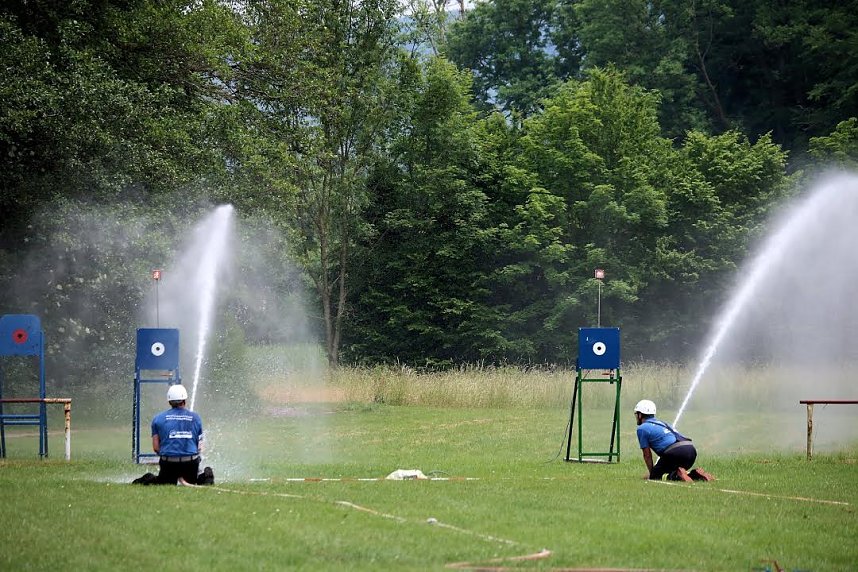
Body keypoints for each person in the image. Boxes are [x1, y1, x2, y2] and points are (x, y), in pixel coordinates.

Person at [132, 384, 214, 486]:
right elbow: (200, 447)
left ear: (169, 401)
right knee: (201, 476)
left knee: (162, 482)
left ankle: (148, 478)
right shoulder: (196, 418)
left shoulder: (158, 419)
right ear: (184, 400)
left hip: (168, 464)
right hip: (190, 464)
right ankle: (205, 477)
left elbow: (156, 448)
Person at [634, 399, 714, 482]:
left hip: (675, 453)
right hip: (691, 451)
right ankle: (694, 474)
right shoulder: (663, 423)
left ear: (640, 415)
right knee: (672, 471)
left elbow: (647, 455)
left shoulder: (642, 428)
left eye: (637, 414)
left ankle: (678, 475)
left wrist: (652, 473)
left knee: (655, 478)